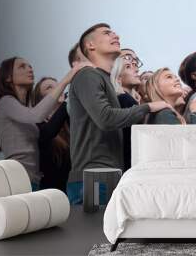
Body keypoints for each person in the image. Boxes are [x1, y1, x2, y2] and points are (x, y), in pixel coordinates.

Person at [68, 23, 169, 203]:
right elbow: (106, 118)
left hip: (107, 175)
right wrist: (149, 107)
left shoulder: (103, 80)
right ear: (90, 45)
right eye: (107, 33)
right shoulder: (87, 76)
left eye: (114, 32)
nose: (115, 35)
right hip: (93, 177)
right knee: (93, 232)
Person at [0, 57, 83, 190]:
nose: (29, 69)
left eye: (30, 66)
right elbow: (36, 117)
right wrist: (67, 79)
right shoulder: (6, 102)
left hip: (32, 179)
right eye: (22, 66)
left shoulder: (23, 110)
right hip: (17, 179)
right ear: (8, 78)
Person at [33, 77, 70, 193]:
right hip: (47, 196)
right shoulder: (36, 125)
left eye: (59, 85)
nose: (59, 88)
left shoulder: (69, 123)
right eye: (50, 87)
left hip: (69, 192)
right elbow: (48, 133)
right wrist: (67, 102)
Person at [110, 50, 142, 171]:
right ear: (117, 76)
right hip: (129, 167)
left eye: (135, 65)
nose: (136, 69)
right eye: (128, 67)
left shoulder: (127, 100)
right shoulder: (124, 100)